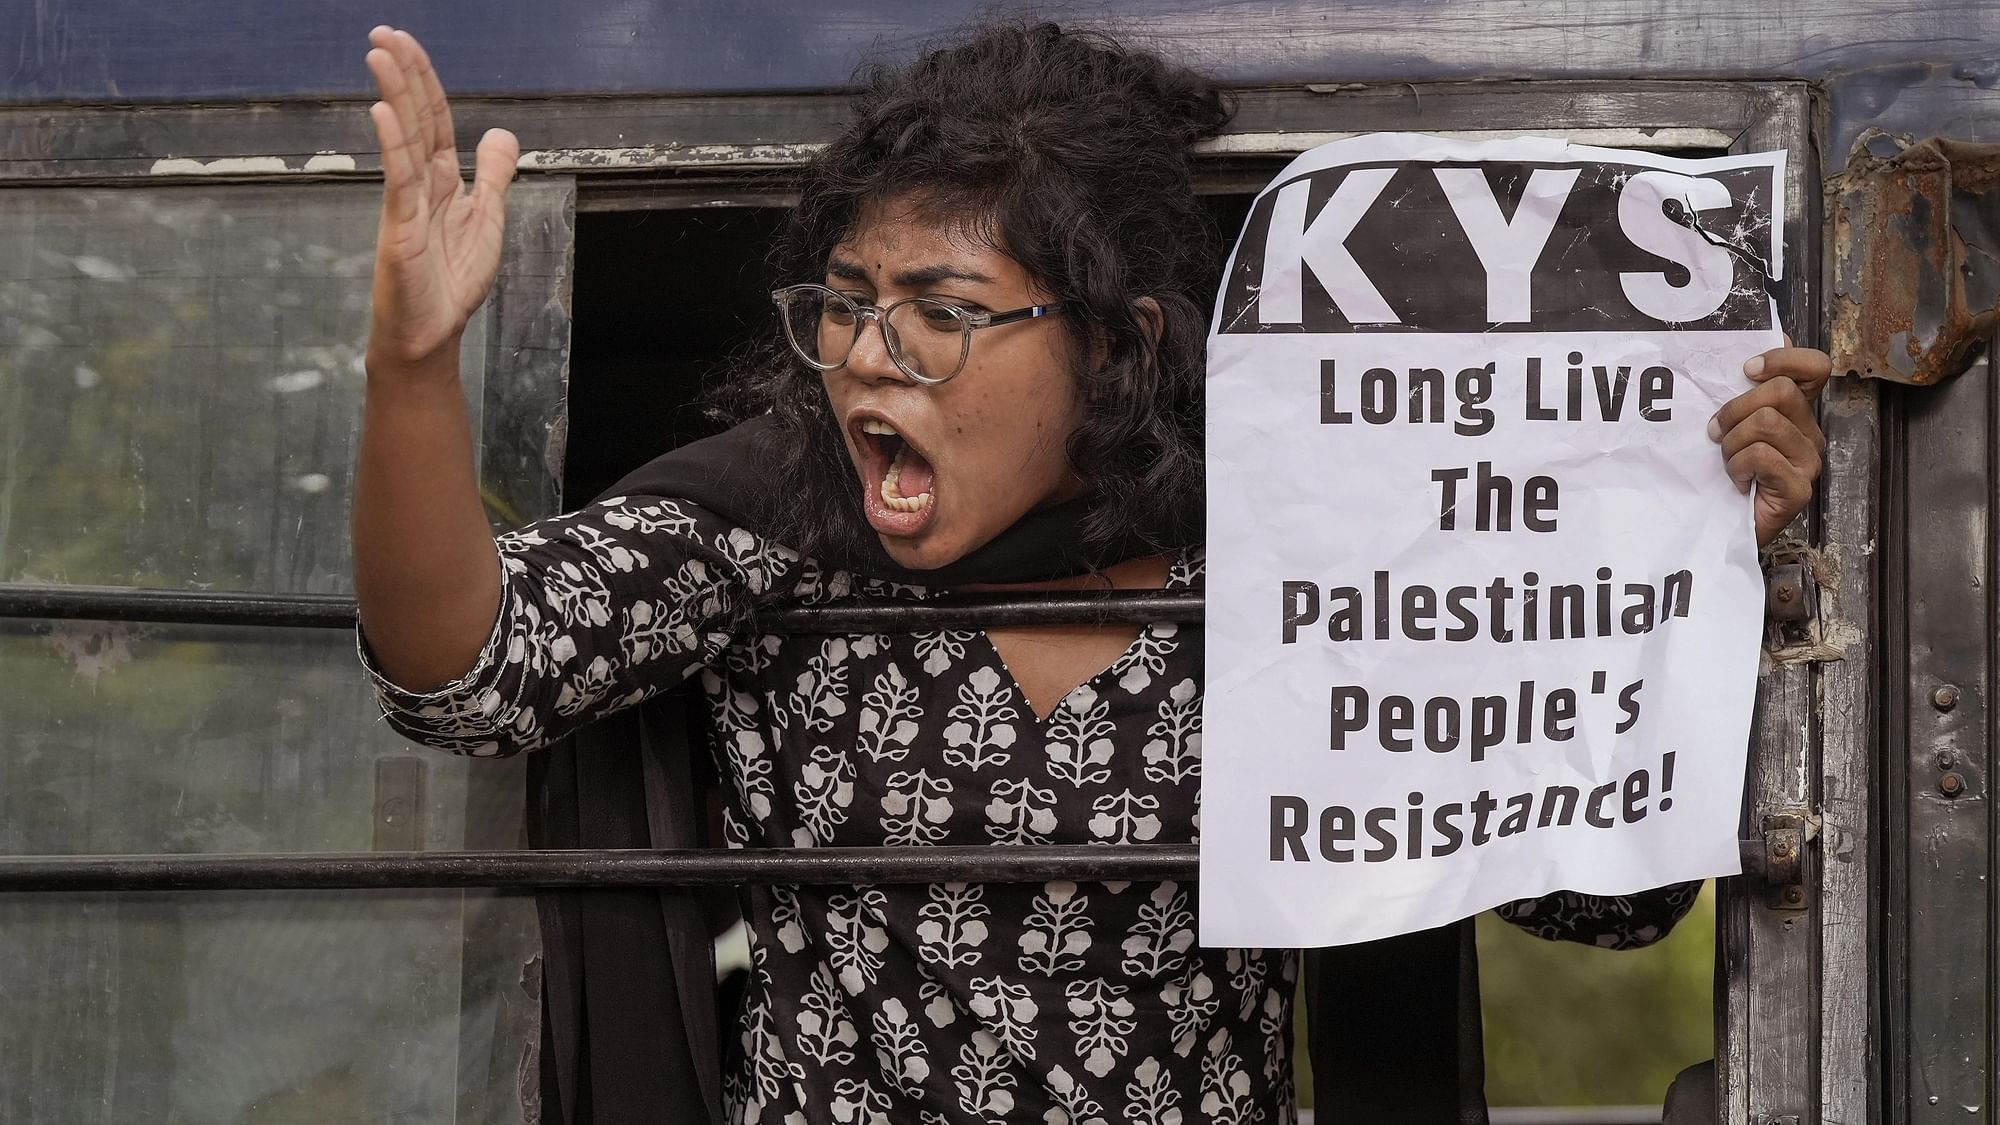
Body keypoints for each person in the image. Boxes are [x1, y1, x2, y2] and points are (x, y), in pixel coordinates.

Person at [352, 21, 1832, 1125]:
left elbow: (1600, 901)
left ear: (1115, 344)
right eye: (851, 303)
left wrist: (1688, 559)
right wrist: (412, 364)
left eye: (942, 311)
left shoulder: (1294, 554)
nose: (872, 352)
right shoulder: (779, 515)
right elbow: (468, 674)